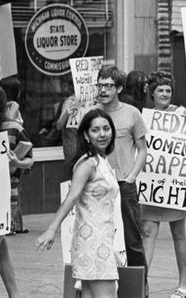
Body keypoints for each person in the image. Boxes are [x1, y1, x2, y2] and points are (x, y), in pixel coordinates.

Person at [35, 109, 119, 297]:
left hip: (100, 239)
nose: (102, 134)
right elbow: (71, 198)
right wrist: (51, 229)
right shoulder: (88, 163)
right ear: (86, 135)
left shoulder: (102, 160)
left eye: (106, 128)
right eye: (95, 130)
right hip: (94, 242)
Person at [141, 71, 186, 298]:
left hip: (175, 184)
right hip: (153, 184)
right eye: (160, 90)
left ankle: (183, 285)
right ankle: (143, 284)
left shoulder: (180, 112)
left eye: (168, 90)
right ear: (152, 93)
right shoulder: (145, 117)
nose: (164, 94)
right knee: (148, 232)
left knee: (179, 233)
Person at [0, 83, 34, 298]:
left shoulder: (13, 127)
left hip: (6, 196)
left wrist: (18, 162)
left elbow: (30, 159)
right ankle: (15, 294)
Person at [97, 66, 149, 268]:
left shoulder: (132, 113)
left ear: (119, 89)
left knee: (132, 240)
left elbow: (142, 149)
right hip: (98, 184)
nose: (103, 90)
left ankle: (140, 288)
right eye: (100, 85)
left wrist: (131, 177)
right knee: (101, 237)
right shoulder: (93, 114)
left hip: (124, 185)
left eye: (108, 86)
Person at [0, 76, 30, 234]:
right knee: (13, 191)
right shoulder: (12, 106)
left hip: (15, 152)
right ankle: (10, 224)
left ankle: (15, 224)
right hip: (11, 151)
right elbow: (9, 125)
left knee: (15, 190)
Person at [56, 88, 78, 180]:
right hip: (73, 149)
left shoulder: (93, 101)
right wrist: (66, 114)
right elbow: (58, 125)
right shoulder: (70, 101)